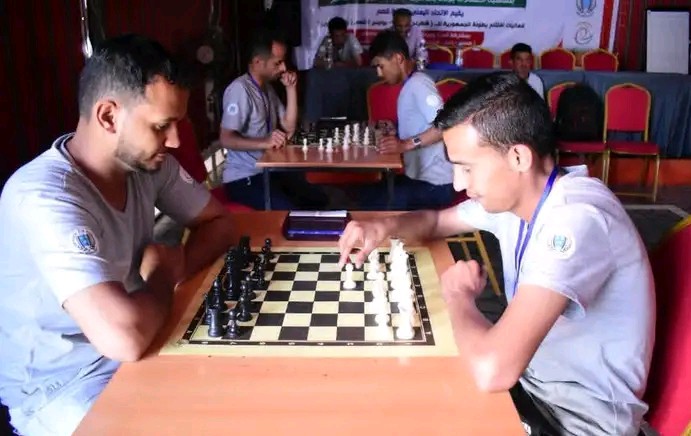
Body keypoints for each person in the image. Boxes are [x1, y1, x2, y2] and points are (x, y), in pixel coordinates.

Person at [338, 72, 655, 435]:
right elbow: (435, 222)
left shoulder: (576, 218)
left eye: (467, 167)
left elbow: (493, 370)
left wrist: (459, 296)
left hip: (576, 420)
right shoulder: (520, 196)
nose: (458, 183)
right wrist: (382, 227)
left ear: (518, 157)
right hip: (532, 385)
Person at [0, 34, 236, 435]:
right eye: (161, 126)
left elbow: (220, 223)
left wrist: (173, 272)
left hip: (145, 334)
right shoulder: (44, 195)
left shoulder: (149, 165)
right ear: (108, 116)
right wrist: (161, 276)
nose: (176, 141)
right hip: (63, 387)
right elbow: (122, 338)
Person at [220, 30, 327, 210]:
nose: (283, 68)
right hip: (244, 177)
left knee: (319, 199)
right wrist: (266, 142)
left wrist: (291, 89)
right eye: (277, 63)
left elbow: (289, 127)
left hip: (270, 170)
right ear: (257, 62)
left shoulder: (267, 89)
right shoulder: (240, 90)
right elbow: (226, 139)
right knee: (289, 213)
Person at [359, 30, 454, 210]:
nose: (379, 73)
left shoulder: (419, 84)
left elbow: (445, 124)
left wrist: (405, 144)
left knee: (367, 203)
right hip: (419, 179)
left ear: (398, 58)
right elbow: (423, 124)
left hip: (435, 185)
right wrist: (396, 129)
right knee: (367, 194)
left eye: (381, 66)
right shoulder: (410, 85)